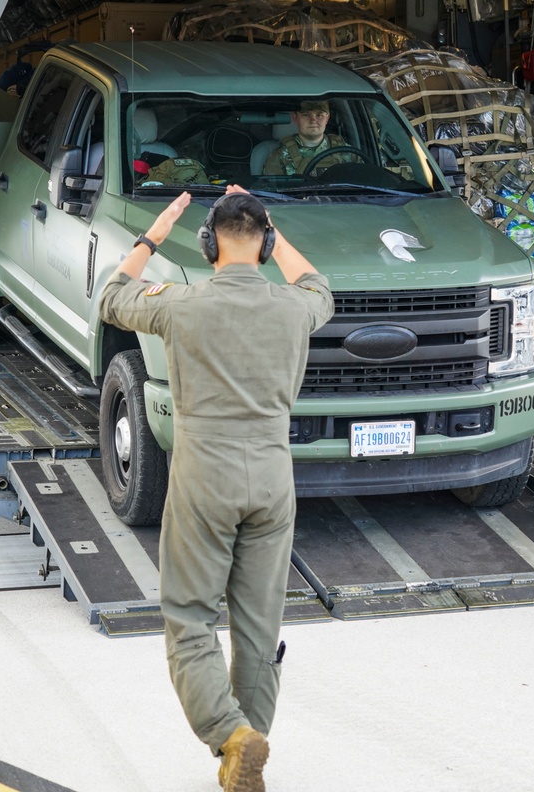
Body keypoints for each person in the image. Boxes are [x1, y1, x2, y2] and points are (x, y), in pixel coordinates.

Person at [98, 185, 333, 792]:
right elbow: (319, 286)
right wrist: (275, 233)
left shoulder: (181, 304)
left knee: (189, 620)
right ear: (269, 242)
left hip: (205, 475)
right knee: (259, 631)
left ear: (207, 245)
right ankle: (242, 760)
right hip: (273, 478)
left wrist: (155, 231)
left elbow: (113, 296)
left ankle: (231, 737)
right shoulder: (294, 307)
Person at [261, 99, 351, 175]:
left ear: (327, 118)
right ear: (295, 118)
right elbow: (273, 193)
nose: (313, 121)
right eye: (306, 115)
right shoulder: (279, 157)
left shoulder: (346, 152)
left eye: (319, 115)